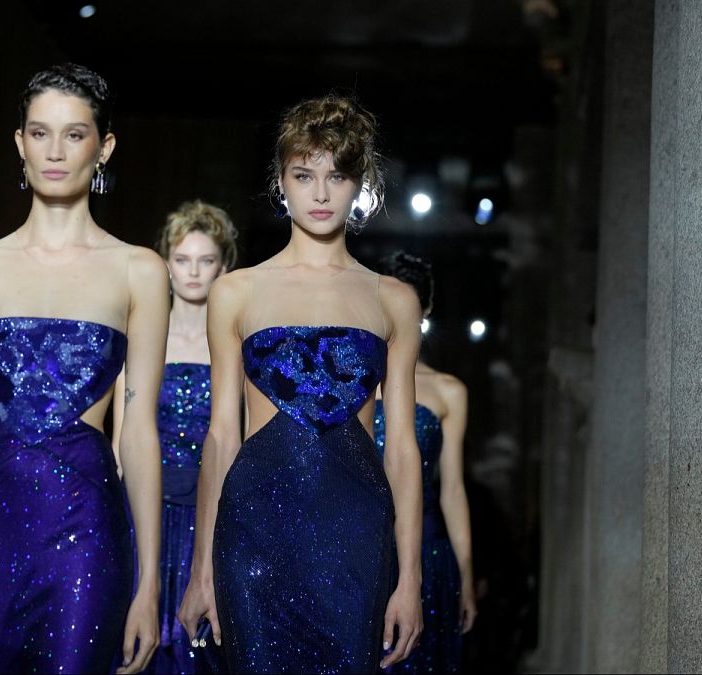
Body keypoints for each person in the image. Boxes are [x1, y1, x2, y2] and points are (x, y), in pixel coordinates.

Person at [177, 94, 424, 673]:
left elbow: (402, 449)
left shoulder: (392, 299)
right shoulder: (235, 292)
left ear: (360, 185)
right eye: (304, 174)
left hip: (356, 539)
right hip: (253, 534)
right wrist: (201, 570)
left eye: (337, 176)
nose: (320, 194)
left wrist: (410, 577)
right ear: (280, 181)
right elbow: (221, 437)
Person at [0, 63, 163, 674]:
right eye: (40, 133)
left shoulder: (139, 270)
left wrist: (148, 583)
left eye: (75, 134)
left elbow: (139, 434)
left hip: (84, 528)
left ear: (104, 146)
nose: (56, 151)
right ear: (20, 143)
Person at [113, 200, 238, 674]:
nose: (194, 272)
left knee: (199, 647)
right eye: (183, 260)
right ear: (166, 264)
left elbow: (240, 440)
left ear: (223, 266)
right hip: (144, 506)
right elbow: (122, 439)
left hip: (208, 512)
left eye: (206, 261)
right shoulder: (140, 340)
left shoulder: (234, 347)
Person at [373, 251, 477, 674]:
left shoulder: (448, 391)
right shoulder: (356, 381)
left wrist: (466, 572)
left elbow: (452, 488)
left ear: (426, 310)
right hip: (359, 546)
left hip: (428, 552)